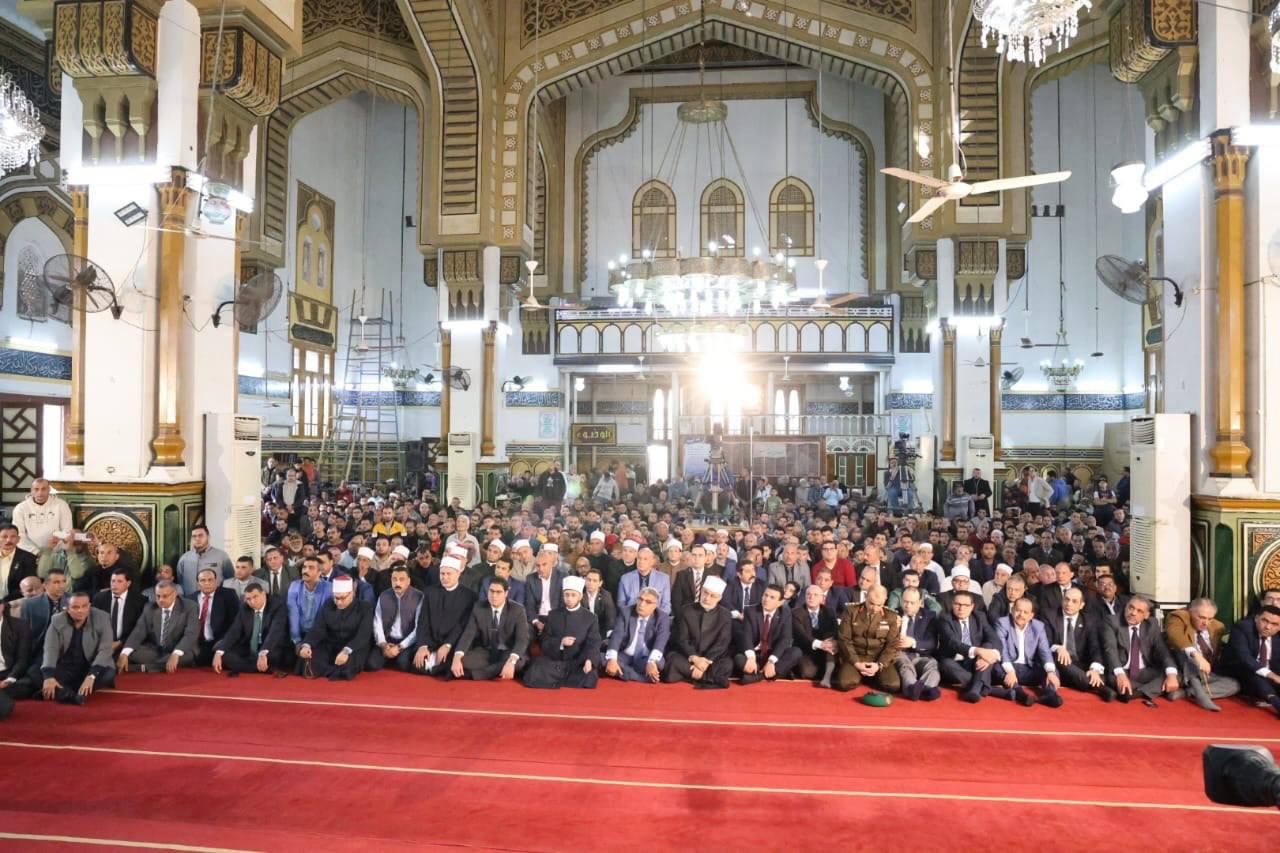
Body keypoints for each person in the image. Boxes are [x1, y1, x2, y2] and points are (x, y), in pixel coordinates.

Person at [1041, 587, 1118, 702]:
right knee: (1058, 657)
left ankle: (1083, 681)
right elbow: (1045, 641)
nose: (1069, 604)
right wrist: (1058, 648)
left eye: (1074, 601)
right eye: (1066, 599)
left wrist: (1094, 669)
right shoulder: (1050, 615)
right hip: (1059, 662)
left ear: (1081, 605)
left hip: (1079, 664)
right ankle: (1099, 688)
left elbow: (1095, 647)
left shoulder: (1090, 620)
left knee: (1097, 674)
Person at [523, 576, 601, 689]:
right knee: (536, 667)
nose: (569, 598)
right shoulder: (553, 615)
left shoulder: (590, 618)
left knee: (590, 675)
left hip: (577, 663)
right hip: (555, 662)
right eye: (566, 595)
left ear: (580, 596)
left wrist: (589, 660)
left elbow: (593, 643)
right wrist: (560, 642)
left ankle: (556, 681)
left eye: (573, 595)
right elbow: (545, 641)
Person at [1163, 598, 1240, 712]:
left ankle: (1187, 692)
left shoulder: (1218, 626)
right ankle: (1200, 695)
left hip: (1204, 674)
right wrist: (1196, 655)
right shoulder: (1179, 617)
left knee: (1234, 685)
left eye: (1210, 619)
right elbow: (1175, 636)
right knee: (1184, 653)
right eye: (1202, 617)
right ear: (1190, 612)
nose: (1206, 622)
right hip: (1181, 671)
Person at [39, 591, 115, 704]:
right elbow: (51, 648)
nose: (80, 610)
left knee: (108, 674)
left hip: (91, 665)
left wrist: (91, 675)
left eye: (84, 606)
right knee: (38, 671)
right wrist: (49, 676)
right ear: (67, 609)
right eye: (75, 607)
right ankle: (69, 694)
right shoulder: (57, 620)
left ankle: (58, 691)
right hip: (66, 666)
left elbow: (106, 649)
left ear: (89, 606)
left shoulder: (102, 617)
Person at [451, 577, 530, 680]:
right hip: (486, 652)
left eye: (498, 592)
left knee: (518, 663)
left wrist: (511, 661)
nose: (494, 595)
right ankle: (496, 670)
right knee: (462, 661)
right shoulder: (479, 607)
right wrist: (457, 656)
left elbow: (522, 639)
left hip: (507, 652)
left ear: (506, 593)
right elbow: (468, 634)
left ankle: (473, 675)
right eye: (491, 591)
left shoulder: (517, 610)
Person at [1107, 595, 1179, 705]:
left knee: (1175, 674)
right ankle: (1154, 690)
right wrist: (1121, 676)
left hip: (1144, 671)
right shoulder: (1112, 621)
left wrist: (1171, 675)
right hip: (1122, 670)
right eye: (1131, 607)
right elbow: (1110, 650)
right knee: (1114, 681)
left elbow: (1163, 651)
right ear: (1126, 606)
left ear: (1146, 615)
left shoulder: (1152, 624)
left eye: (1139, 611)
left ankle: (1138, 692)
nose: (1133, 613)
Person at [411, 556, 477, 676]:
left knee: (453, 665)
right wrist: (423, 645)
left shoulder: (469, 596)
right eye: (442, 574)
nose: (444, 577)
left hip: (453, 642)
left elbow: (462, 626)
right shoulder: (430, 591)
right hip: (431, 641)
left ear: (458, 574)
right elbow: (423, 621)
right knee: (413, 664)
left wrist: (447, 645)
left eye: (448, 574)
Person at [297, 577, 373, 680]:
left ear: (352, 594)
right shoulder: (329, 604)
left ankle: (329, 670)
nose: (339, 602)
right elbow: (318, 628)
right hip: (331, 644)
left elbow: (363, 635)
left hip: (353, 646)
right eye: (336, 598)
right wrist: (307, 645)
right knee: (308, 658)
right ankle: (334, 671)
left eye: (342, 598)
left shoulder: (365, 608)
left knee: (347, 666)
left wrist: (346, 651)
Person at [663, 575, 732, 689]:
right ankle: (708, 678)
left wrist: (705, 661)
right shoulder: (686, 610)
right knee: (672, 661)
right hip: (688, 656)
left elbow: (722, 643)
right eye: (705, 593)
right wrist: (695, 659)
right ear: (701, 590)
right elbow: (682, 639)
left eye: (712, 596)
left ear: (719, 598)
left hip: (710, 659)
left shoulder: (725, 615)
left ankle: (692, 675)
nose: (707, 598)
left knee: (727, 664)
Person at [993, 597, 1063, 707]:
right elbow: (1002, 650)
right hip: (1010, 667)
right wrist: (1010, 671)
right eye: (1018, 610)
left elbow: (1044, 651)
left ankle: (1050, 694)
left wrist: (1050, 672)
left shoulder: (1038, 626)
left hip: (1029, 668)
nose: (1021, 614)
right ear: (1012, 610)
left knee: (1052, 669)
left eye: (1025, 612)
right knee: (995, 666)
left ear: (1031, 615)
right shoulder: (1002, 623)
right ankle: (1020, 693)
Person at [117, 581, 200, 673]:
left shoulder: (190, 606)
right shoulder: (149, 607)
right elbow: (138, 632)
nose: (161, 600)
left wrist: (176, 654)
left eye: (165, 596)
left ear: (174, 594)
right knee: (129, 652)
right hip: (156, 651)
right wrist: (124, 653)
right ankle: (159, 665)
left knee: (186, 657)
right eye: (158, 596)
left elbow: (191, 634)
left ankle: (143, 668)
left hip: (179, 649)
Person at [834, 585, 901, 693]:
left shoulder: (891, 616)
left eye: (879, 605)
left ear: (885, 600)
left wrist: (879, 665)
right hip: (856, 655)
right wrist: (856, 663)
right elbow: (844, 639)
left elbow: (892, 644)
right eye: (871, 603)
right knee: (845, 683)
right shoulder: (851, 611)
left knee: (892, 685)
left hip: (878, 657)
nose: (874, 608)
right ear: (866, 596)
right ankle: (863, 675)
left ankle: (872, 676)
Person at [936, 591, 1001, 703]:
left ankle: (976, 689)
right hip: (954, 661)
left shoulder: (979, 617)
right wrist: (978, 651)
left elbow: (994, 638)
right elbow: (953, 643)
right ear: (952, 604)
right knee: (946, 664)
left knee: (988, 646)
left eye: (966, 605)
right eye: (957, 604)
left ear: (972, 606)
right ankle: (983, 688)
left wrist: (989, 656)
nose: (961, 608)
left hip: (975, 662)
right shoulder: (945, 618)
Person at [213, 582, 288, 675]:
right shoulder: (245, 608)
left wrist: (263, 653)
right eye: (248, 599)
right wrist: (219, 652)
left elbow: (275, 633)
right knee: (224, 655)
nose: (252, 602)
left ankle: (250, 666)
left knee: (273, 657)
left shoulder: (277, 606)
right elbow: (234, 631)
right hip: (249, 647)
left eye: (255, 597)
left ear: (263, 594)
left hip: (270, 646)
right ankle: (261, 668)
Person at [734, 584, 799, 685]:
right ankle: (774, 673)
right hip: (755, 653)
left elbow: (785, 639)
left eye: (772, 597)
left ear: (780, 602)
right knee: (738, 658)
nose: (766, 599)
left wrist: (771, 661)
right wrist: (751, 658)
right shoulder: (750, 611)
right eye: (765, 595)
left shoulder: (785, 613)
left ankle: (758, 676)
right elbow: (746, 636)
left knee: (796, 652)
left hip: (772, 653)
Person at [1223, 604, 1280, 719]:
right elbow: (1244, 657)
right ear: (1256, 618)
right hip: (1240, 671)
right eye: (1264, 621)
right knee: (1253, 672)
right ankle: (1276, 702)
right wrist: (1271, 675)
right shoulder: (1242, 628)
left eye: (1274, 624)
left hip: (1268, 675)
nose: (1268, 627)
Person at [605, 587, 670, 683]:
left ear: (655, 606)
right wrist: (612, 660)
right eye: (640, 599)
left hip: (646, 658)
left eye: (648, 602)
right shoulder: (626, 612)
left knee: (658, 664)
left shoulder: (662, 618)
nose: (641, 604)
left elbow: (660, 642)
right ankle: (640, 677)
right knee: (603, 659)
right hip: (625, 655)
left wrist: (651, 662)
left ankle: (623, 672)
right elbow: (616, 636)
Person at [368, 565, 424, 672]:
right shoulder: (384, 596)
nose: (397, 583)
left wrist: (400, 647)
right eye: (394, 579)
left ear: (408, 581)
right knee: (372, 665)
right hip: (387, 639)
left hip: (406, 641)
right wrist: (383, 644)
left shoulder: (418, 597)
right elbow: (377, 623)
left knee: (403, 664)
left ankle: (394, 657)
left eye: (401, 579)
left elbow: (418, 628)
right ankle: (390, 654)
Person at [893, 587, 941, 701]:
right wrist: (893, 627)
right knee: (905, 665)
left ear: (920, 603)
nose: (908, 606)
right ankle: (911, 688)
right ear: (901, 600)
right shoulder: (893, 614)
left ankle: (927, 689)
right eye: (905, 601)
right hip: (900, 653)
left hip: (921, 655)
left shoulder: (929, 616)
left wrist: (913, 642)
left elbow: (932, 643)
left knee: (932, 665)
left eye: (912, 603)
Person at [190, 568, 239, 666]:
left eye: (210, 580)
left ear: (216, 581)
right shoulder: (191, 598)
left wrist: (223, 641)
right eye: (203, 580)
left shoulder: (228, 595)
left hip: (219, 640)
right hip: (197, 642)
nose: (207, 583)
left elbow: (236, 622)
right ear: (198, 583)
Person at [792, 584, 839, 686]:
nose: (811, 597)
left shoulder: (829, 612)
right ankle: (825, 671)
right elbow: (801, 635)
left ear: (822, 599)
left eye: (815, 595)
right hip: (806, 650)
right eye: (808, 594)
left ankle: (827, 676)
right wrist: (820, 644)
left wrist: (831, 642)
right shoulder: (796, 613)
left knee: (831, 642)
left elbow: (835, 631)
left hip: (826, 650)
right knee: (808, 673)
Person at [12, 479, 72, 557]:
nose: (40, 493)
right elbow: (18, 535)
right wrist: (36, 552)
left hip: (56, 553)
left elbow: (67, 532)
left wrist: (52, 549)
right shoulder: (21, 508)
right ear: (31, 491)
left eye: (43, 489)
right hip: (29, 553)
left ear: (49, 490)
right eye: (36, 489)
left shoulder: (61, 505)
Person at [287, 556, 333, 656]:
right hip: (298, 634)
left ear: (319, 572)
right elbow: (293, 615)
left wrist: (309, 642)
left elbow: (325, 620)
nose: (305, 571)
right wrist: (297, 641)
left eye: (311, 568)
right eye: (304, 567)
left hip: (320, 635)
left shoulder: (329, 588)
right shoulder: (294, 586)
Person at [92, 567, 143, 656]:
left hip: (127, 644)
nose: (115, 585)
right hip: (102, 644)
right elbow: (94, 623)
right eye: (113, 581)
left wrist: (120, 642)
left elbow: (139, 629)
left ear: (128, 583)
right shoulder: (99, 598)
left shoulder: (139, 601)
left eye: (119, 581)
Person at [176, 525, 233, 596]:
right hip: (190, 601)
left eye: (200, 535)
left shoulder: (222, 556)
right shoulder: (184, 558)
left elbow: (231, 580)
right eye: (194, 536)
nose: (197, 539)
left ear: (208, 537)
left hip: (216, 600)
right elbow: (180, 582)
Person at [616, 545, 672, 614]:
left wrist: (656, 617)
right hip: (631, 617)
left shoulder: (663, 579)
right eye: (639, 558)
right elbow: (621, 604)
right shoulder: (625, 578)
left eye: (645, 559)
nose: (641, 562)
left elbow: (666, 605)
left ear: (652, 561)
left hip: (655, 618)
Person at [671, 543, 721, 615]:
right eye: (694, 555)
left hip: (707, 615)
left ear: (705, 558)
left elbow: (716, 601)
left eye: (700, 555)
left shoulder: (712, 576)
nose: (697, 558)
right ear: (690, 557)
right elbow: (676, 600)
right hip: (685, 615)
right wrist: (681, 618)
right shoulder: (681, 575)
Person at [0, 524, 37, 603]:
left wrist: (4, 602)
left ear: (18, 539)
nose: (8, 540)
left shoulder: (28, 558)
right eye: (4, 536)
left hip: (14, 602)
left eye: (13, 536)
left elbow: (28, 586)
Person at [582, 568, 616, 644]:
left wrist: (609, 637)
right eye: (589, 580)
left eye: (594, 581)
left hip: (600, 632)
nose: (591, 583)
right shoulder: (580, 593)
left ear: (600, 583)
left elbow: (610, 619)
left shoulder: (606, 596)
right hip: (582, 631)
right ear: (584, 580)